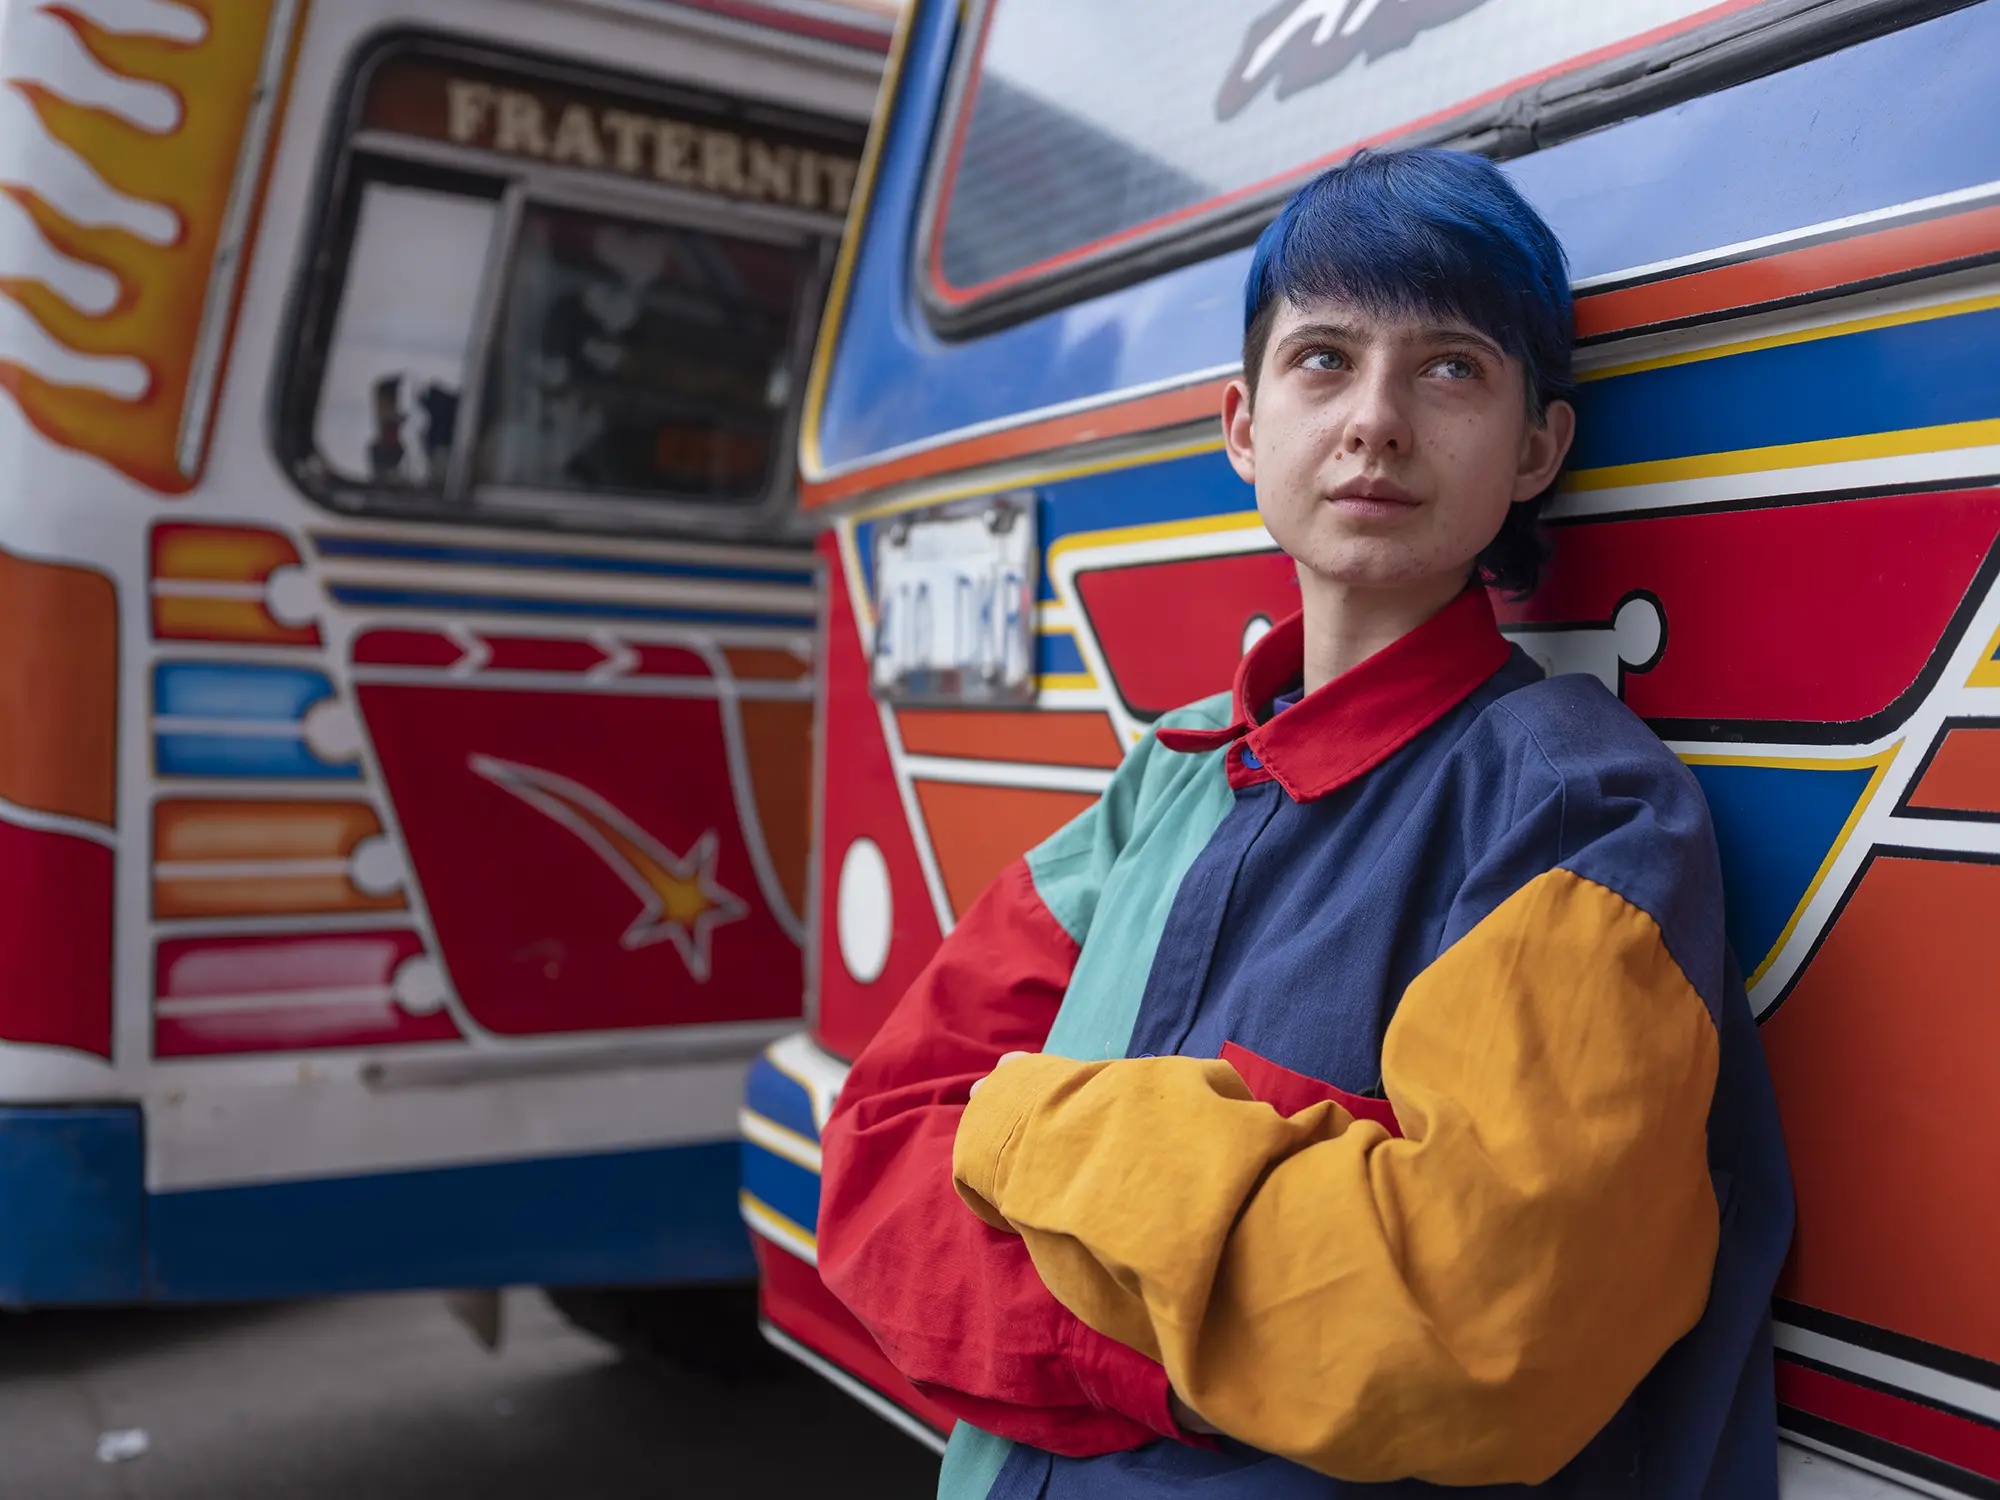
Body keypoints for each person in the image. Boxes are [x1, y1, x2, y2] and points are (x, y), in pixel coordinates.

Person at [816, 147, 1794, 1500]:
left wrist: (1028, 1133)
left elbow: (1467, 1329)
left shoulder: (1584, 813)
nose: (1376, 420)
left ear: (1536, 448)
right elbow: (871, 1167)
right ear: (1243, 427)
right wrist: (1234, 1299)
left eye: (1450, 367)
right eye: (1323, 360)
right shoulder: (1155, 785)